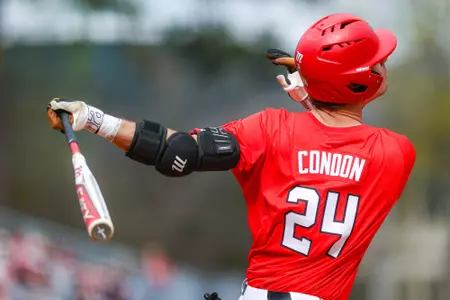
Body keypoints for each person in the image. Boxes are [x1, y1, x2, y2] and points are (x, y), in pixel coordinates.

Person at [46, 13, 415, 300]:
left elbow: (178, 153)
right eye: (377, 61)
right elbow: (335, 138)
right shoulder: (395, 153)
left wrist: (95, 120)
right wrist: (312, 93)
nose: (383, 65)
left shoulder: (270, 129)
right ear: (359, 82)